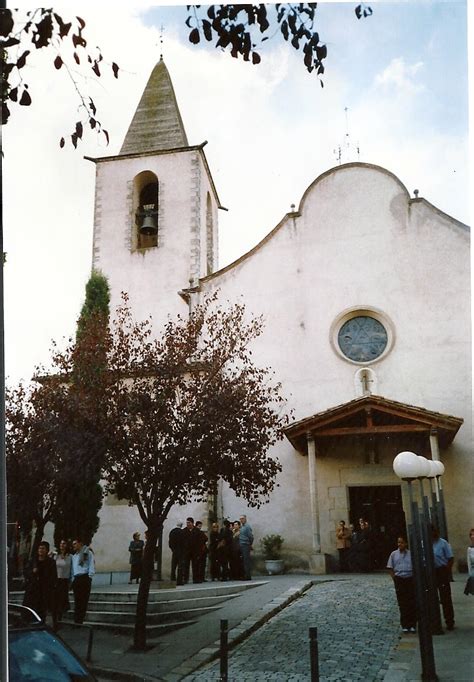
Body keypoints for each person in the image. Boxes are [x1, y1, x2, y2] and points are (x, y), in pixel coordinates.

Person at [23, 541, 57, 627]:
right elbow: (26, 572)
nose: (41, 550)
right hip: (32, 590)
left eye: (43, 548)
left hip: (44, 591)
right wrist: (32, 572)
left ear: (46, 550)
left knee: (41, 611)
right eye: (39, 548)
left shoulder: (51, 562)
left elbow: (53, 576)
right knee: (29, 610)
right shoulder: (33, 561)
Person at [387, 536, 417, 633]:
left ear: (406, 544)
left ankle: (412, 624)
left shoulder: (411, 554)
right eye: (398, 542)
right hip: (400, 579)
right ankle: (405, 624)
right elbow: (390, 567)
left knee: (411, 602)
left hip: (409, 578)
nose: (400, 544)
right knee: (402, 603)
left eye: (402, 542)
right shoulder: (394, 554)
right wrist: (394, 578)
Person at [432, 526, 455, 631]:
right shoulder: (425, 543)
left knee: (445, 597)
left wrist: (447, 571)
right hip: (431, 572)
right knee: (432, 597)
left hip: (441, 571)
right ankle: (435, 621)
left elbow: (450, 558)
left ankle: (449, 621)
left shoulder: (443, 543)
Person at [71, 537, 95, 624]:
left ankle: (80, 619)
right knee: (77, 600)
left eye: (75, 543)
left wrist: (90, 577)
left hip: (85, 578)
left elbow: (91, 564)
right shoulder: (74, 556)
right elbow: (74, 569)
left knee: (83, 600)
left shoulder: (87, 553)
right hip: (77, 579)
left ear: (80, 544)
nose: (73, 546)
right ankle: (76, 620)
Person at [178, 517, 200, 585]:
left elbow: (200, 541)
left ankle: (196, 579)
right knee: (186, 565)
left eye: (189, 523)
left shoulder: (197, 531)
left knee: (195, 565)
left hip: (195, 551)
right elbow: (181, 541)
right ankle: (185, 579)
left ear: (192, 523)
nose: (188, 524)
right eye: (187, 523)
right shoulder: (184, 531)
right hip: (186, 551)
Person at [54, 539, 72, 624]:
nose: (62, 545)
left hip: (65, 580)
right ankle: (56, 618)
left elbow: (71, 569)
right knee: (56, 599)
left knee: (62, 599)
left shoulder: (70, 557)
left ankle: (60, 618)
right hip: (57, 580)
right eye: (61, 543)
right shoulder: (55, 555)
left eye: (64, 543)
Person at [239, 514, 254, 580]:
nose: (241, 520)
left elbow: (251, 536)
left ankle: (247, 576)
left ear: (245, 519)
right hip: (242, 545)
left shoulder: (247, 527)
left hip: (245, 544)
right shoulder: (242, 527)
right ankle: (245, 575)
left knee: (246, 561)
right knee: (243, 561)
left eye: (242, 519)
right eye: (240, 519)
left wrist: (249, 544)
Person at [464, 528, 474, 596]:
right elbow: (469, 563)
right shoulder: (470, 549)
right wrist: (470, 574)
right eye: (471, 535)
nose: (472, 536)